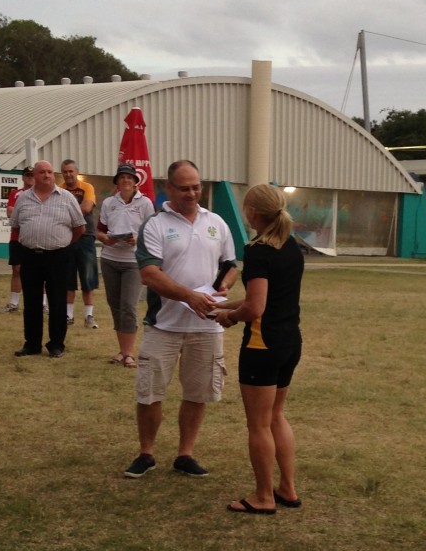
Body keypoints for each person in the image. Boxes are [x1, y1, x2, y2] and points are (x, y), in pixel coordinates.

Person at [123, 160, 237, 479]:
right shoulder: (155, 225)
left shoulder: (216, 222)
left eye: (196, 186)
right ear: (168, 188)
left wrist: (225, 285)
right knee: (149, 393)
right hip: (164, 325)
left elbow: (231, 264)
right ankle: (146, 453)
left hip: (206, 326)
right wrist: (189, 296)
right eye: (184, 187)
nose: (192, 193)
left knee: (198, 393)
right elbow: (149, 274)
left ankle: (185, 454)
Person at [214, 184, 304, 515]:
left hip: (262, 344)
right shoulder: (290, 246)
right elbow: (264, 299)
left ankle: (264, 497)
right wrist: (222, 305)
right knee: (276, 416)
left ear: (252, 213)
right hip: (289, 340)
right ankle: (287, 489)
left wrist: (228, 316)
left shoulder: (258, 251)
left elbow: (255, 308)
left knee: (259, 424)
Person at [9, 160, 86, 358]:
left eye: (50, 172)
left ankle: (56, 344)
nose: (47, 175)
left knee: (57, 302)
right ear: (34, 176)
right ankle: (32, 343)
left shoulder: (67, 198)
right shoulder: (23, 198)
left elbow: (79, 228)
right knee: (32, 302)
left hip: (58, 256)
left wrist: (65, 244)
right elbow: (16, 226)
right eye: (42, 172)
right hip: (30, 256)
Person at [96, 164, 155, 368]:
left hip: (133, 261)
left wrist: (137, 239)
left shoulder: (145, 203)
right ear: (117, 182)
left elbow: (152, 231)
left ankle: (130, 353)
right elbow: (100, 230)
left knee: (129, 306)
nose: (125, 181)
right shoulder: (109, 203)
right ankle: (122, 350)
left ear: (135, 181)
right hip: (110, 259)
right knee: (115, 305)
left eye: (129, 178)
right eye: (122, 178)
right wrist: (105, 239)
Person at [59, 159, 99, 329]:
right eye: (65, 171)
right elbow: (56, 210)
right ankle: (68, 315)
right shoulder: (59, 189)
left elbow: (87, 207)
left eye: (71, 171)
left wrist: (67, 211)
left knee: (88, 278)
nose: (68, 174)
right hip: (66, 238)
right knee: (67, 278)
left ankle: (89, 316)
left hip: (86, 237)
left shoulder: (87, 187)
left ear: (76, 172)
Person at [3, 166, 34, 313]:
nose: (30, 178)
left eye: (32, 175)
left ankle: (42, 303)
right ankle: (14, 303)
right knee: (16, 269)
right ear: (22, 177)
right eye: (27, 175)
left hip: (35, 237)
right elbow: (9, 212)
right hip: (17, 237)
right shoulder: (16, 194)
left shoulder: (40, 193)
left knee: (39, 269)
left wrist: (20, 213)